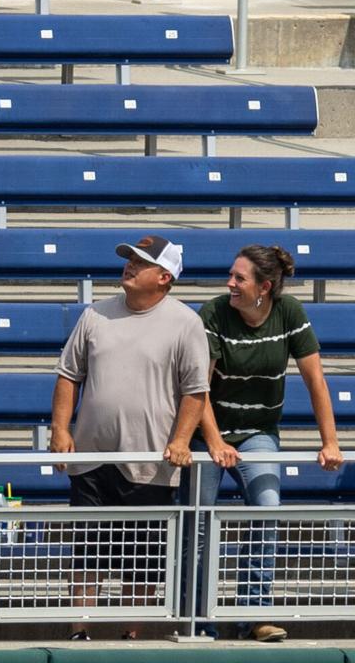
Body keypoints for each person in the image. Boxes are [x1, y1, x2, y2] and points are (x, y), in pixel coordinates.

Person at [49, 234, 210, 641]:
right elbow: (69, 374)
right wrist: (60, 429)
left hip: (150, 460)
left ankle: (130, 636)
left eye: (141, 262)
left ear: (164, 276)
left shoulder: (186, 323)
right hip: (91, 456)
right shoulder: (95, 314)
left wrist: (181, 439)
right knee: (86, 554)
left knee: (141, 559)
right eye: (130, 259)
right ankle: (78, 632)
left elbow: (195, 391)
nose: (130, 266)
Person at [188, 245, 343, 643]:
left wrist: (330, 442)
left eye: (239, 278)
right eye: (231, 275)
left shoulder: (289, 312)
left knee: (267, 509)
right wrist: (216, 441)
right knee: (199, 523)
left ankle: (254, 614)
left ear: (265, 287)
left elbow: (315, 381)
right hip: (208, 431)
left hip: (259, 431)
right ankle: (198, 620)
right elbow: (198, 388)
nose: (230, 284)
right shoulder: (215, 313)